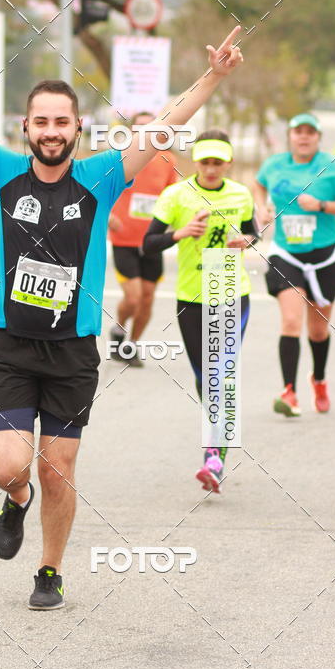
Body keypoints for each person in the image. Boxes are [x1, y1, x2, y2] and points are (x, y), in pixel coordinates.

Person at [0, 22, 243, 608]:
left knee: (57, 469)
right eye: (42, 122)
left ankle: (50, 569)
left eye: (63, 122)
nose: (52, 132)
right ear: (26, 128)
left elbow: (163, 128)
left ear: (77, 127)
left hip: (73, 350)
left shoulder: (102, 175)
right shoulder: (0, 171)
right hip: (9, 343)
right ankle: (16, 500)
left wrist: (213, 75)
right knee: (10, 468)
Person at [143, 131, 259, 493]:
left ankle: (213, 459)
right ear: (196, 162)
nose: (211, 168)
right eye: (205, 161)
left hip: (230, 290)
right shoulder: (176, 195)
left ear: (228, 163)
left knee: (221, 376)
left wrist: (247, 241)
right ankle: (217, 443)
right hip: (191, 298)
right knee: (204, 377)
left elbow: (255, 231)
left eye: (218, 162)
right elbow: (148, 245)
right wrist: (180, 234)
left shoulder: (241, 194)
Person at [254, 113, 335, 416]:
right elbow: (258, 183)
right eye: (298, 131)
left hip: (325, 256)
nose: (303, 137)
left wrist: (322, 206)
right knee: (291, 321)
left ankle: (319, 379)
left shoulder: (332, 165)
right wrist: (261, 207)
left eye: (310, 133)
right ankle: (289, 392)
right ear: (290, 135)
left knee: (318, 330)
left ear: (318, 137)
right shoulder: (275, 164)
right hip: (286, 252)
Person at [108, 111, 178, 366]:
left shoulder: (168, 160)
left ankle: (131, 345)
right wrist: (106, 215)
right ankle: (118, 327)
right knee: (134, 297)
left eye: (151, 128)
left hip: (152, 240)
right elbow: (98, 187)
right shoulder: (120, 157)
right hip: (123, 237)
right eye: (140, 128)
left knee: (148, 297)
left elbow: (175, 196)